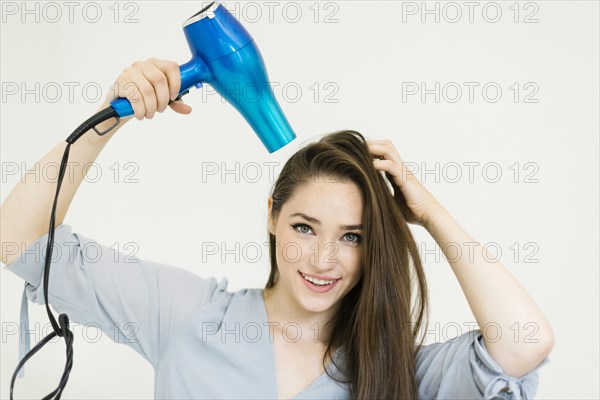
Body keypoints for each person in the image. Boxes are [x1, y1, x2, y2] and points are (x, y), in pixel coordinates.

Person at [0, 58, 553, 399]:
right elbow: (15, 239)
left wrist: (430, 212)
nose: (322, 260)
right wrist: (111, 115)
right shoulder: (185, 314)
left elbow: (525, 344)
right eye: (305, 228)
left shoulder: (397, 372)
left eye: (352, 236)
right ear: (271, 215)